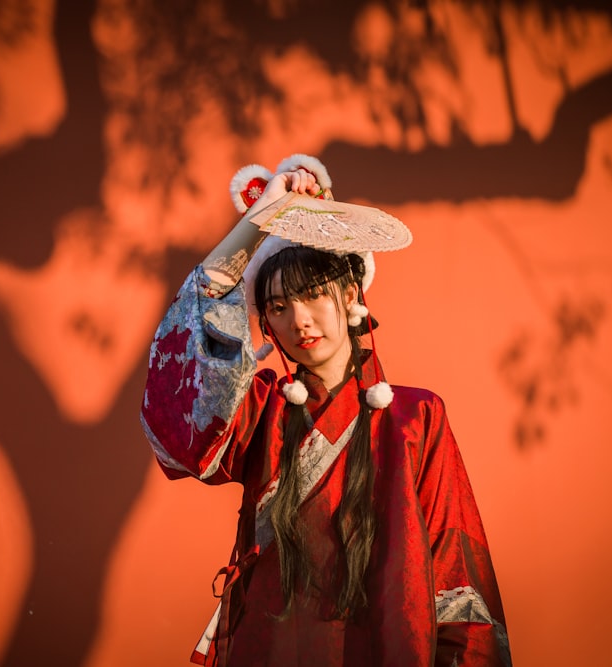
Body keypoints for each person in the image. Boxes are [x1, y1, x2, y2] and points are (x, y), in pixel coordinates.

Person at [140, 154, 511, 666]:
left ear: (353, 293)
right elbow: (178, 405)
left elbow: (455, 569)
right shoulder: (259, 410)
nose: (300, 320)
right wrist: (256, 223)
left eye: (314, 294)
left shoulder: (416, 417)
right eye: (277, 306)